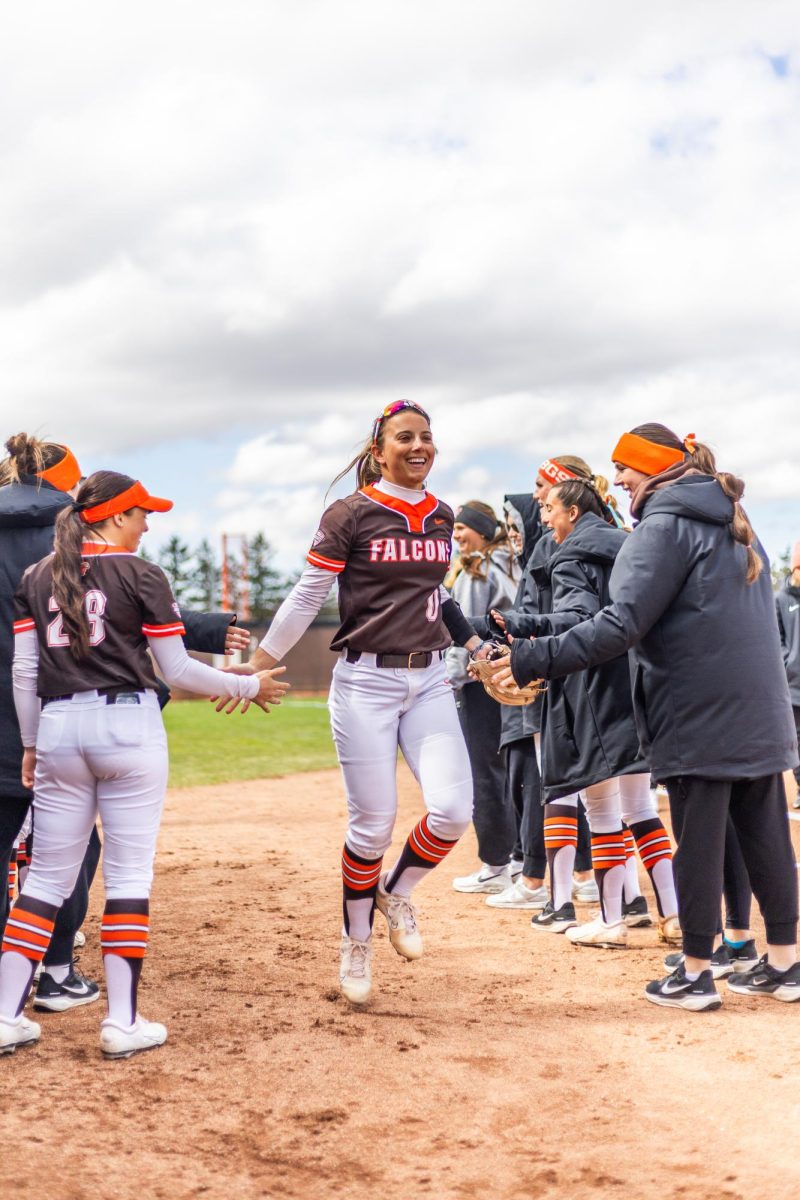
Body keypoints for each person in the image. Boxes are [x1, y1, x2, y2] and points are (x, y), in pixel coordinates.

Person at [494, 424, 799, 1010]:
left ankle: (694, 973)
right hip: (759, 710)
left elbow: (619, 625)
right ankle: (785, 962)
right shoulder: (737, 520)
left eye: (624, 467)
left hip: (696, 711)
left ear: (654, 469)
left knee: (700, 843)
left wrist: (533, 658)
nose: (616, 480)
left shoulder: (662, 527)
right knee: (765, 836)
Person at [0, 470, 288, 1057]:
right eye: (140, 514)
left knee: (47, 878)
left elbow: (25, 672)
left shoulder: (37, 575)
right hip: (127, 726)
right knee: (129, 876)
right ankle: (121, 1023)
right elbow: (177, 671)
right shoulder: (141, 573)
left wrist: (30, 743)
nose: (148, 523)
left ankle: (6, 1014)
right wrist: (247, 685)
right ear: (112, 516)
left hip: (57, 726)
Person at [222, 400, 484, 1006]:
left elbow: (436, 599)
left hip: (430, 680)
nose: (419, 446)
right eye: (404, 437)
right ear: (379, 450)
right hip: (366, 682)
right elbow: (309, 592)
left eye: (426, 437)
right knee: (372, 824)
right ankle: (356, 938)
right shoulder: (350, 513)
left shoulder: (442, 515)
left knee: (451, 811)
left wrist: (473, 644)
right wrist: (262, 660)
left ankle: (395, 892)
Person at [520, 470, 679, 948]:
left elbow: (577, 620)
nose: (544, 518)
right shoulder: (631, 542)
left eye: (549, 508)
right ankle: (672, 914)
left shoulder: (570, 554)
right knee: (642, 807)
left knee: (602, 809)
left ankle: (611, 920)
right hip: (639, 685)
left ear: (573, 511)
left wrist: (520, 626)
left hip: (592, 688)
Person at [446, 501, 520, 895]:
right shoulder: (512, 562)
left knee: (484, 773)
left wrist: (453, 679)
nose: (458, 536)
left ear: (482, 531)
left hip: (480, 683)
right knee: (514, 771)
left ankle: (495, 864)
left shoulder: (476, 570)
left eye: (463, 529)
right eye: (454, 530)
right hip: (513, 677)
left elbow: (465, 637)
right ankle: (521, 858)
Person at [776, 540, 800, 808]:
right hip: (793, 686)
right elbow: (777, 639)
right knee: (797, 740)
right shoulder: (781, 600)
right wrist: (789, 663)